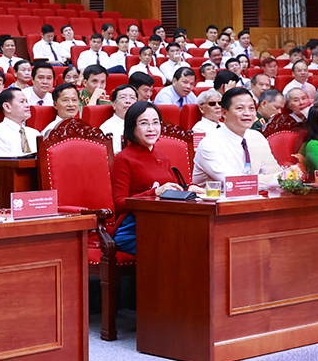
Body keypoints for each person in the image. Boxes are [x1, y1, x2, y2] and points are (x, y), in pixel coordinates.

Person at [109, 101, 193, 255]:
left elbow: (173, 193)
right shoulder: (123, 158)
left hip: (164, 223)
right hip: (133, 228)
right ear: (131, 127)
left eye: (155, 122)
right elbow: (120, 204)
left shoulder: (163, 156)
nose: (151, 128)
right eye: (143, 123)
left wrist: (189, 190)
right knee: (177, 247)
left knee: (194, 239)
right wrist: (154, 192)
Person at [193, 87, 282, 187]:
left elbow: (277, 174)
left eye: (251, 108)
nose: (247, 113)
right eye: (240, 108)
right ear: (224, 113)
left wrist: (285, 177)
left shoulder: (257, 137)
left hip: (254, 195)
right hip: (217, 197)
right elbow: (234, 183)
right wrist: (272, 180)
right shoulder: (209, 144)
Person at [0, 86, 36, 156]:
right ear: (7, 107)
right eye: (22, 102)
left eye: (26, 101)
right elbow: (3, 162)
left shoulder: (35, 133)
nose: (27, 105)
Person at [100, 84, 137, 154]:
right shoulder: (106, 129)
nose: (128, 101)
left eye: (132, 98)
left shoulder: (143, 124)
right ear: (114, 104)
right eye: (123, 97)